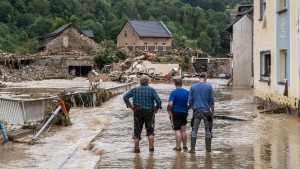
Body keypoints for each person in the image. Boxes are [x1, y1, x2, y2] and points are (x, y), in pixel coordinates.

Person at [123, 76, 161, 153]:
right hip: (149, 112)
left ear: (140, 82)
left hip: (137, 111)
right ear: (148, 82)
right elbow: (159, 101)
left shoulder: (135, 89)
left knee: (137, 131)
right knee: (150, 131)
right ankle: (151, 148)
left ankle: (136, 148)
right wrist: (156, 109)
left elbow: (125, 97)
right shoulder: (152, 90)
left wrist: (130, 106)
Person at [188, 72, 214, 153]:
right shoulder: (209, 87)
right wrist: (212, 112)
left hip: (197, 111)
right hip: (207, 111)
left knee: (194, 130)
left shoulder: (193, 87)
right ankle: (208, 149)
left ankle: (192, 149)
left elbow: (190, 102)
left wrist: (194, 109)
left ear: (199, 77)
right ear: (206, 77)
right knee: (208, 130)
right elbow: (212, 101)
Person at [167, 77, 189, 152]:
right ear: (181, 84)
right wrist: (187, 108)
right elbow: (191, 102)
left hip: (175, 112)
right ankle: (185, 146)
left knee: (177, 130)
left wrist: (168, 109)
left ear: (175, 84)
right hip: (184, 112)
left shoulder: (173, 92)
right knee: (183, 130)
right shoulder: (187, 92)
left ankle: (178, 147)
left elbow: (170, 103)